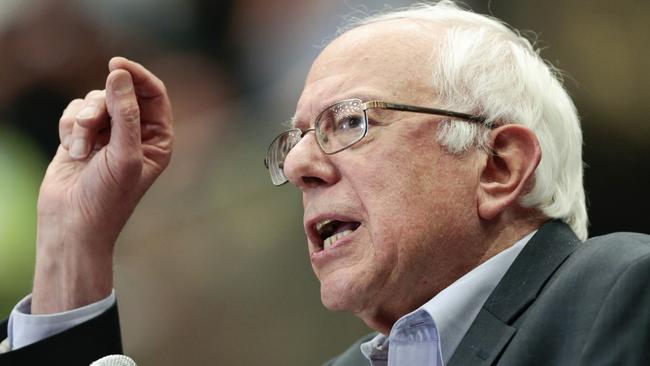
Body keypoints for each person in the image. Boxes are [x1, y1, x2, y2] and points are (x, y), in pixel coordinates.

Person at [1, 1, 649, 365]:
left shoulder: (623, 290)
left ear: (500, 166)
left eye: (350, 122)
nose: (301, 167)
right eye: (295, 139)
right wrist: (72, 240)